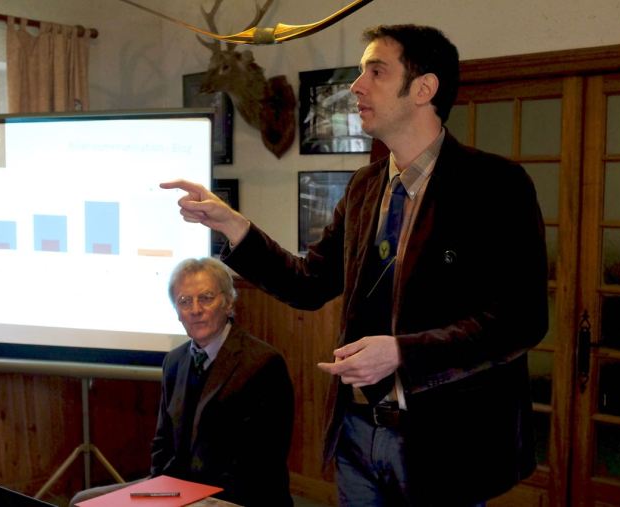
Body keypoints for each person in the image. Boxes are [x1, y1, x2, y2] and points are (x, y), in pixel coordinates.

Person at [161, 24, 548, 506]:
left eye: (376, 72)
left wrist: (402, 352)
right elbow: (308, 284)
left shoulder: (495, 185)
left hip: (446, 444)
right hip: (357, 434)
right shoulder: (365, 187)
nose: (356, 86)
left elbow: (521, 319)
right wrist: (233, 225)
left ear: (424, 88)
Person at [70, 257, 294, 507]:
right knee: (82, 501)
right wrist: (158, 491)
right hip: (176, 489)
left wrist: (186, 497)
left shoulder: (263, 363)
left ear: (228, 302)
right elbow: (162, 442)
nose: (195, 309)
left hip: (235, 496)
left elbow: (263, 461)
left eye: (206, 298)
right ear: (177, 312)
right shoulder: (174, 361)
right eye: (185, 301)